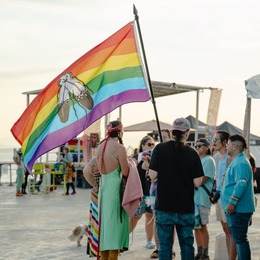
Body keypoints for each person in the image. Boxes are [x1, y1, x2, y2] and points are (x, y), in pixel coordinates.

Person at [149, 117, 204, 260]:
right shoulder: (193, 153)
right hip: (185, 206)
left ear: (173, 132)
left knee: (165, 246)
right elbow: (197, 182)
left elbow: (153, 176)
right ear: (187, 133)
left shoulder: (160, 148)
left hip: (164, 206)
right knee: (187, 245)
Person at [95, 120, 129, 260]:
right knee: (115, 224)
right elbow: (126, 172)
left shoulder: (100, 147)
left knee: (105, 225)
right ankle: (113, 256)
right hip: (115, 188)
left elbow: (95, 169)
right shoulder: (120, 148)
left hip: (104, 187)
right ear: (120, 132)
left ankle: (104, 256)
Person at [221, 134, 255, 260]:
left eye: (228, 144)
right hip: (237, 208)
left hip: (238, 209)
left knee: (240, 240)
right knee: (239, 239)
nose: (226, 146)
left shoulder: (240, 162)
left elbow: (241, 184)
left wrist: (232, 202)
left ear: (235, 146)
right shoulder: (238, 161)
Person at [149, 129, 176, 259]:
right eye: (161, 137)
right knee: (156, 219)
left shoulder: (175, 151)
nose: (163, 139)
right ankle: (158, 247)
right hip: (154, 190)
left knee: (171, 220)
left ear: (171, 138)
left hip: (170, 190)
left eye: (165, 137)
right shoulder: (157, 150)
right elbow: (150, 174)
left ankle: (169, 248)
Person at [212, 130, 237, 260]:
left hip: (228, 198)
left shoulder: (231, 158)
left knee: (231, 230)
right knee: (225, 229)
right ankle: (229, 256)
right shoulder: (216, 157)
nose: (213, 142)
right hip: (219, 197)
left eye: (216, 139)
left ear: (224, 142)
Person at [130, 135, 156, 250]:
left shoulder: (155, 158)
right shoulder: (136, 158)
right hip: (139, 193)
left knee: (150, 216)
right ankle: (124, 238)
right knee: (136, 216)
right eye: (149, 144)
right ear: (143, 145)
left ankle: (149, 241)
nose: (151, 147)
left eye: (153, 145)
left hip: (151, 194)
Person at [194, 138, 216, 260]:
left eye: (200, 146)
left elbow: (202, 180)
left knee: (203, 226)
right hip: (194, 198)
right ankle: (199, 251)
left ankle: (205, 253)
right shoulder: (197, 160)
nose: (197, 148)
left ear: (207, 147)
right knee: (196, 227)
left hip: (202, 198)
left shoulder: (209, 160)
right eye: (196, 146)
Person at [83, 157, 101, 257]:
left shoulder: (99, 156)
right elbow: (86, 171)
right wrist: (96, 185)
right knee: (99, 223)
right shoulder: (100, 158)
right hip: (100, 195)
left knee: (96, 223)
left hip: (96, 195)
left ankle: (97, 251)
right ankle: (99, 251)